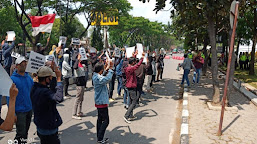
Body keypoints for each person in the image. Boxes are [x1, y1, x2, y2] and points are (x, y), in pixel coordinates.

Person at [31, 66, 63, 144]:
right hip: (48, 128)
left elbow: (51, 89)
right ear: (46, 79)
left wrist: (52, 68)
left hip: (41, 126)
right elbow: (59, 98)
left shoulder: (35, 88)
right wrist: (59, 79)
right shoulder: (44, 92)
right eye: (50, 78)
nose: (52, 79)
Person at [11, 57, 34, 143]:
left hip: (29, 109)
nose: (24, 65)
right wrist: (12, 113)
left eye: (25, 63)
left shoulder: (28, 77)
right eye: (22, 64)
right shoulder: (12, 80)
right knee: (20, 133)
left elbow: (33, 90)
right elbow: (10, 98)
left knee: (25, 133)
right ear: (17, 66)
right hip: (19, 111)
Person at [92, 60, 114, 144]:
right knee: (106, 121)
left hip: (99, 101)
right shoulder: (98, 78)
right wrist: (111, 69)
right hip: (102, 102)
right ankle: (100, 139)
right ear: (100, 70)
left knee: (100, 120)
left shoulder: (96, 75)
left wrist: (106, 69)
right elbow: (107, 79)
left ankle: (99, 137)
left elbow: (102, 75)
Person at [123, 52, 145, 124]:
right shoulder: (130, 68)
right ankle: (126, 116)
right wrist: (142, 58)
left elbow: (133, 62)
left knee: (132, 101)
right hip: (131, 86)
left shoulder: (128, 66)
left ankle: (131, 115)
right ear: (132, 63)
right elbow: (137, 65)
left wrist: (134, 55)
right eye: (134, 62)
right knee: (134, 101)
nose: (135, 63)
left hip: (131, 86)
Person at [73, 54, 86, 120]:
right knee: (78, 99)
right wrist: (77, 59)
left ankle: (79, 111)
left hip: (83, 84)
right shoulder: (77, 65)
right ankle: (74, 113)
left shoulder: (82, 65)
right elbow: (75, 67)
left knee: (81, 99)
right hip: (79, 85)